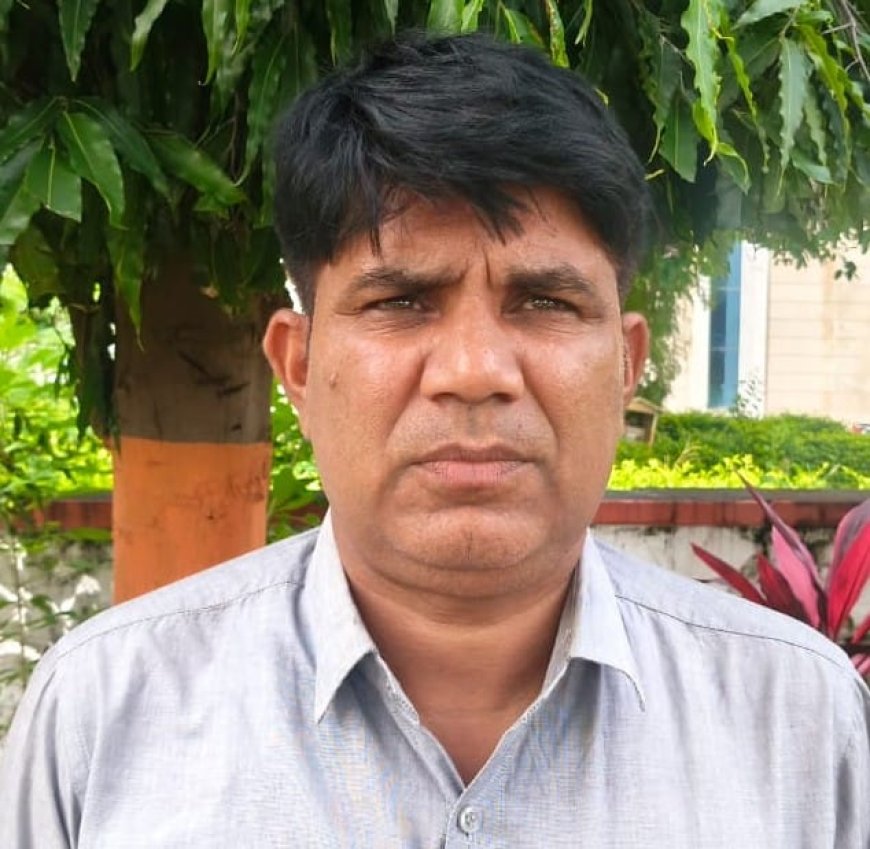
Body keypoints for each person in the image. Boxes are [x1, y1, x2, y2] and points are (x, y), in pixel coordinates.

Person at [1, 32, 868, 849]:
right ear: (298, 366)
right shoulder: (101, 716)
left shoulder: (797, 719)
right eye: (402, 301)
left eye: (544, 301)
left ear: (626, 364)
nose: (474, 370)